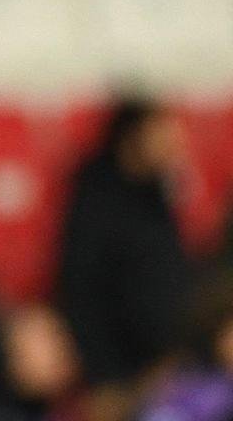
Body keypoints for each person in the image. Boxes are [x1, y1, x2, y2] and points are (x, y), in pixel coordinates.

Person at [57, 98, 194, 421]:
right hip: (114, 379)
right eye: (162, 131)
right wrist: (105, 378)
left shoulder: (159, 197)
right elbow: (82, 293)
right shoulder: (95, 201)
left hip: (168, 369)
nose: (175, 142)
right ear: (134, 135)